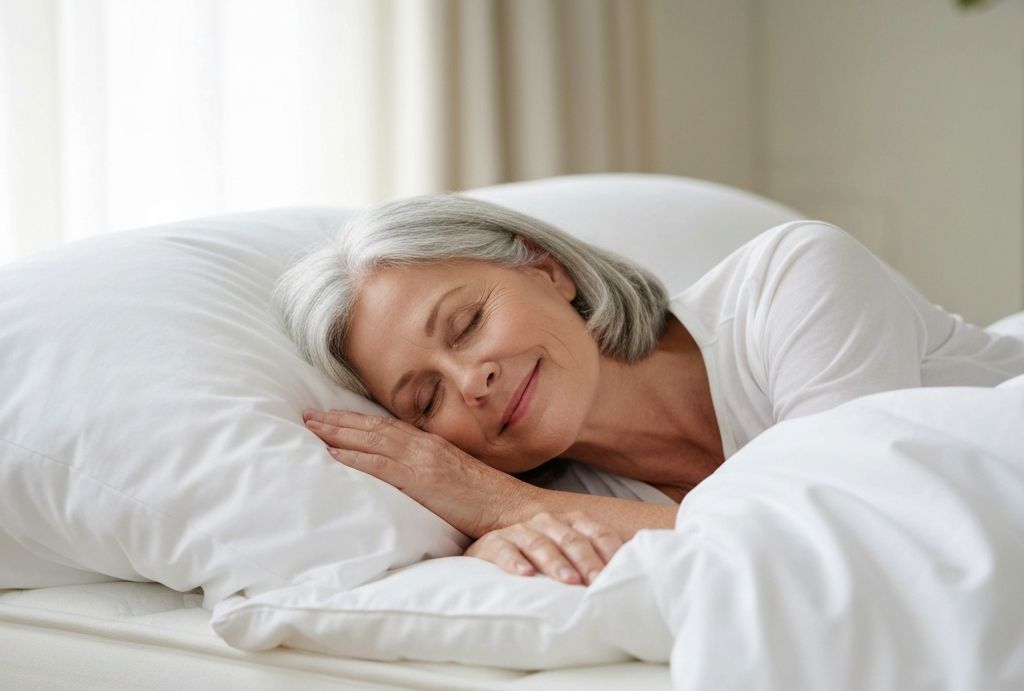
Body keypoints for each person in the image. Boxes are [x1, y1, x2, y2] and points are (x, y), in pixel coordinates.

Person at [277, 194, 1024, 586]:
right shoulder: (574, 506)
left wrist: (511, 502)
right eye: (424, 401)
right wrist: (499, 535)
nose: (472, 382)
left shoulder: (795, 279)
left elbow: (856, 532)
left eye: (468, 323)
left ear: (546, 270)